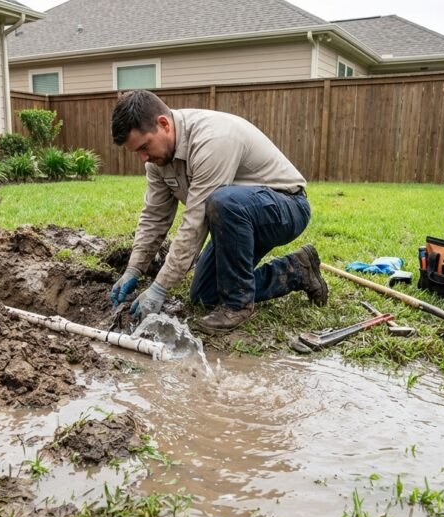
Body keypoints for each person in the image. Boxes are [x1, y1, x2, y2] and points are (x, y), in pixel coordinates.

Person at [108, 90, 328, 334]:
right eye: (136, 152)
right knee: (205, 294)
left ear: (163, 124)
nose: (143, 158)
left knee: (221, 201)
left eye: (145, 147)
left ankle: (238, 305)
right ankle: (298, 269)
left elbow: (195, 222)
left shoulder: (213, 139)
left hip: (286, 208)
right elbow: (154, 217)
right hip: (239, 219)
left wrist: (160, 287)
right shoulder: (157, 162)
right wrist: (134, 269)